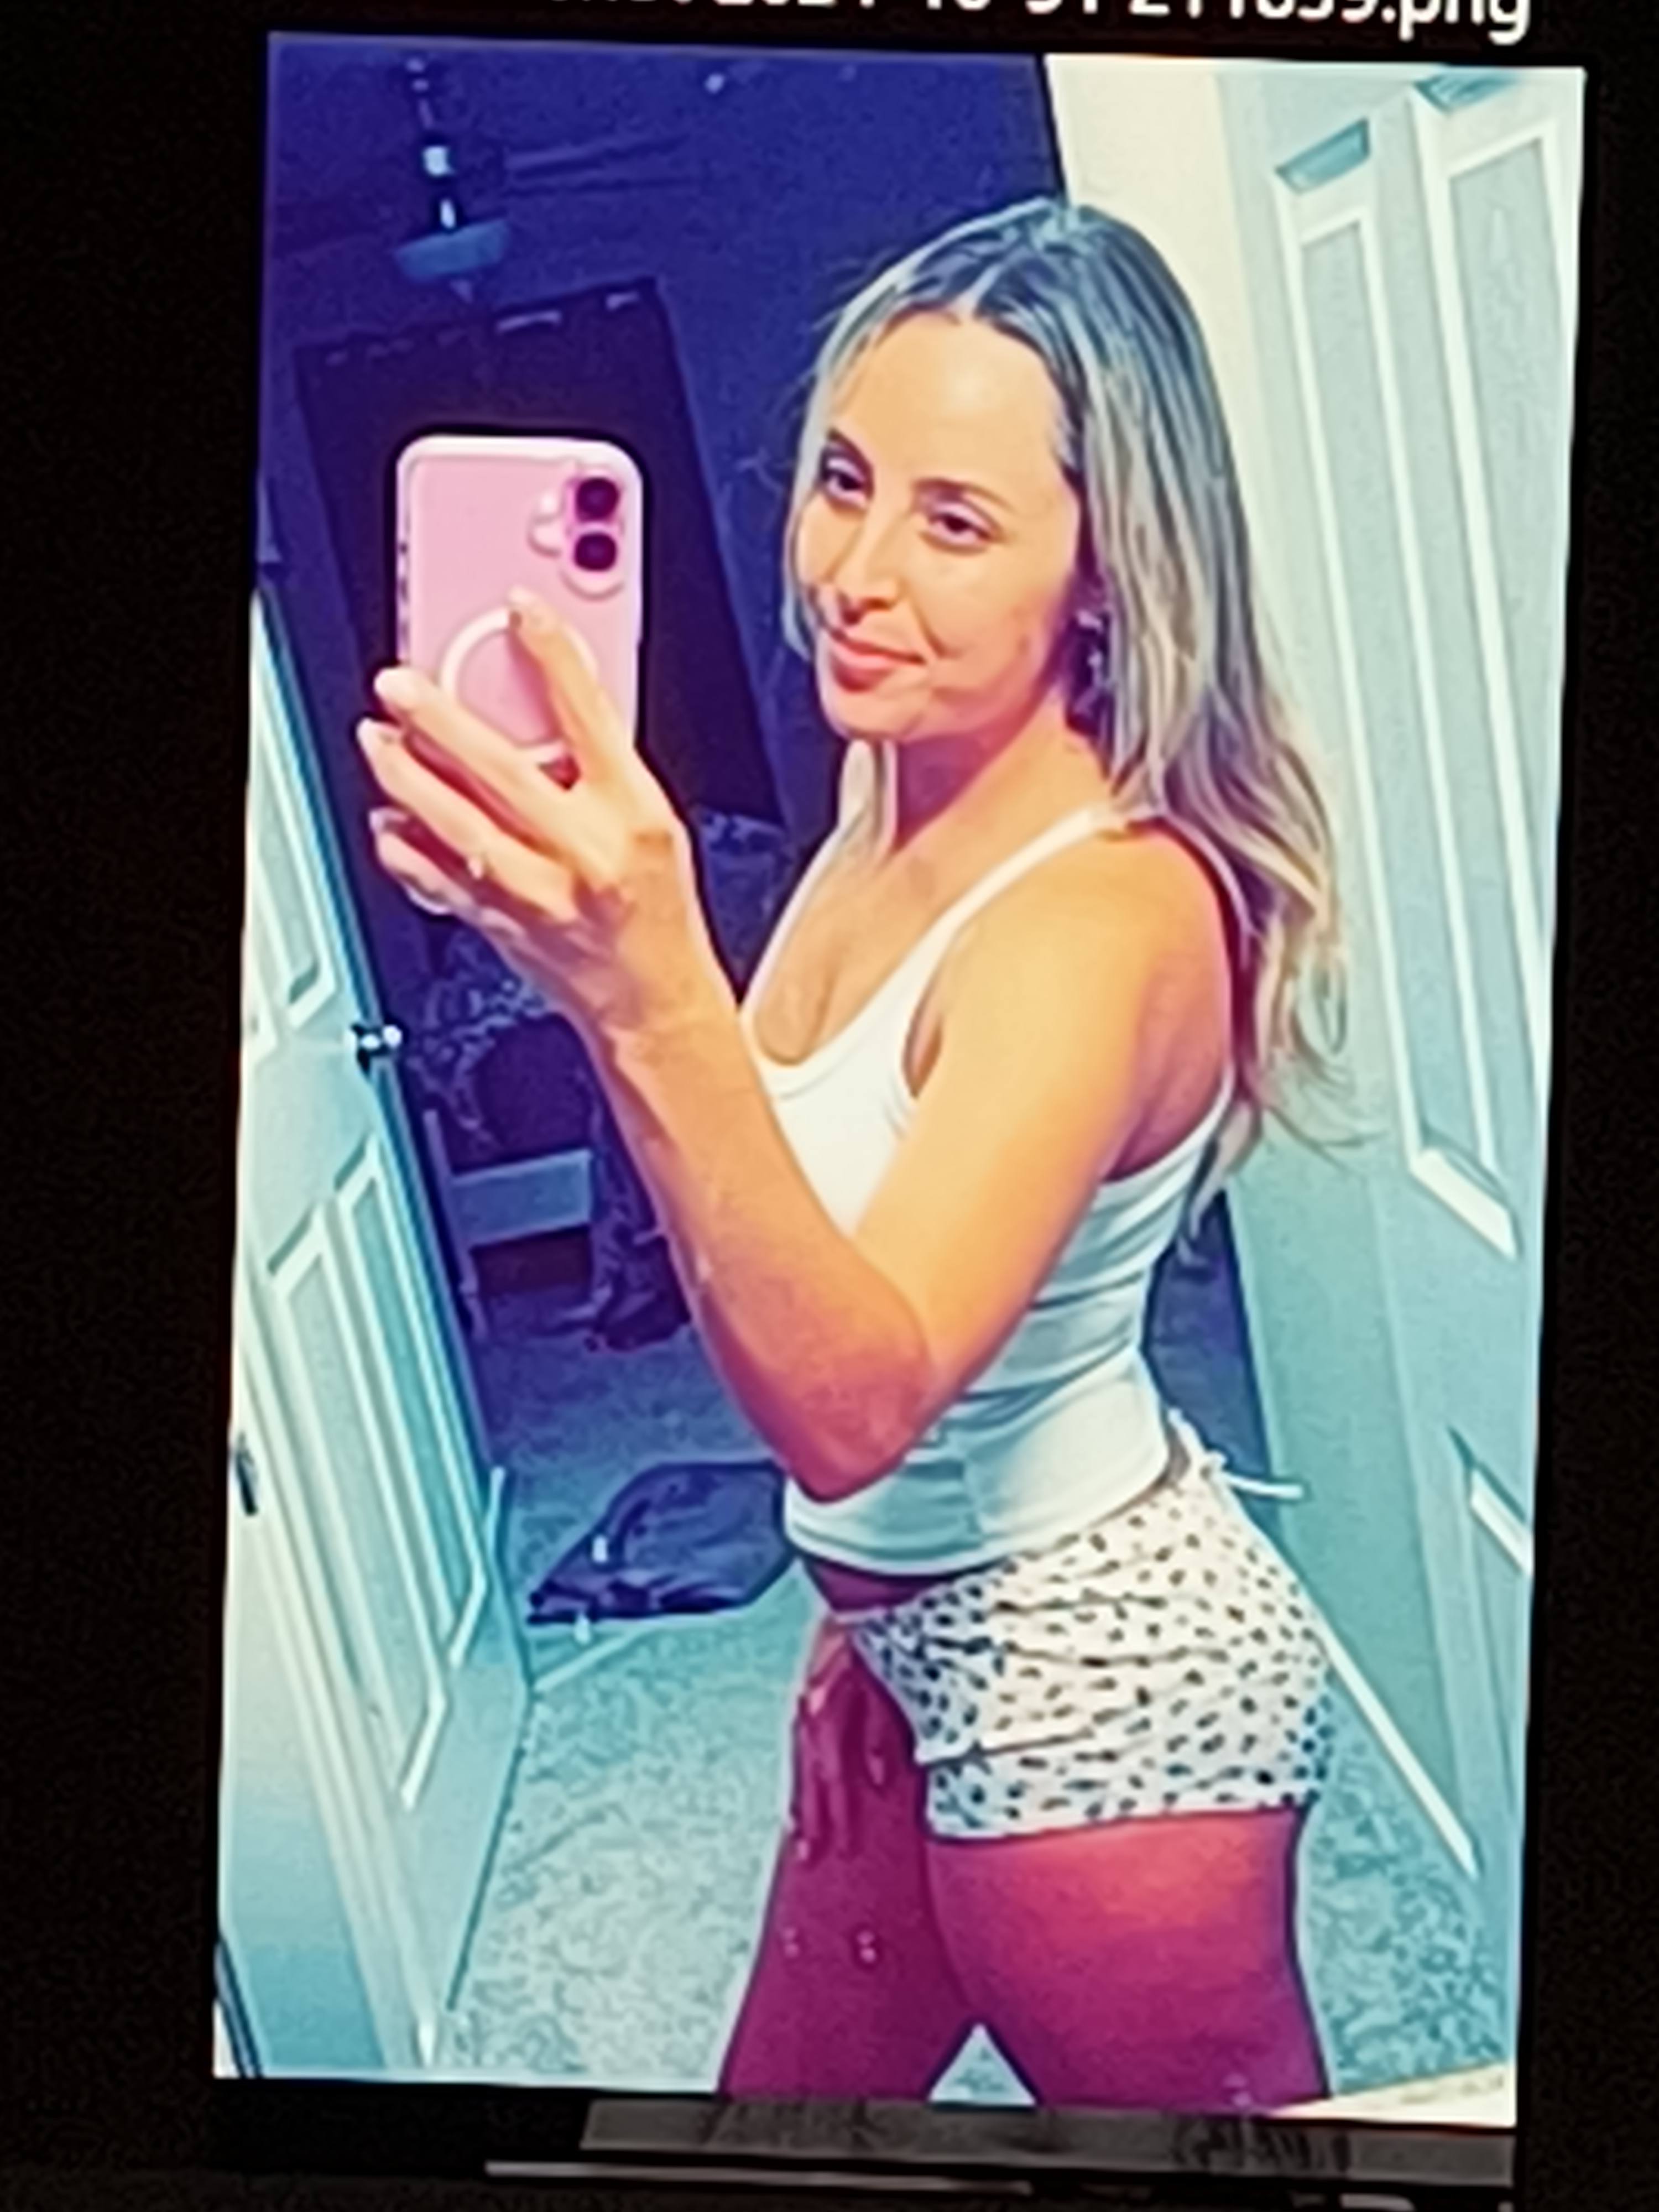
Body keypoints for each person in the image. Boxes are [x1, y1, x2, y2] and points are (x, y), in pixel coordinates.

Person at [358, 197, 1343, 2115]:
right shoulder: (887, 781)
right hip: (908, 1634)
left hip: (1104, 1693)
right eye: (842, 482)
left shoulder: (1102, 919)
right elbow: (830, 1249)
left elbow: (852, 1407)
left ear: (1107, 574)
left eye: (955, 522)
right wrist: (855, 1607)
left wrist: (648, 989)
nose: (854, 576)